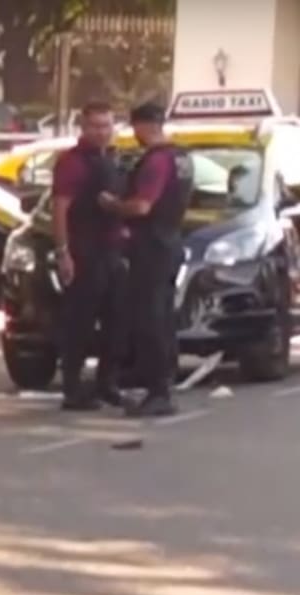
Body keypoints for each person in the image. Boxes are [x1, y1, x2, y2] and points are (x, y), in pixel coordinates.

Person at [99, 102, 194, 418]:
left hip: (151, 246)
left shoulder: (157, 161)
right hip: (170, 242)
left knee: (149, 319)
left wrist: (112, 204)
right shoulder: (182, 158)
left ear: (144, 125)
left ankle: (159, 391)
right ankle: (161, 381)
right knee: (163, 318)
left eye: (134, 126)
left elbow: (141, 206)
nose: (133, 133)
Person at [50, 101, 127, 411]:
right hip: (84, 249)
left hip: (112, 250)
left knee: (117, 320)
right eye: (96, 126)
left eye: (107, 125)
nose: (102, 132)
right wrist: (63, 253)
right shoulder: (72, 162)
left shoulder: (110, 159)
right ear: (83, 127)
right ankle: (73, 388)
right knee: (80, 322)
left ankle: (107, 383)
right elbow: (60, 208)